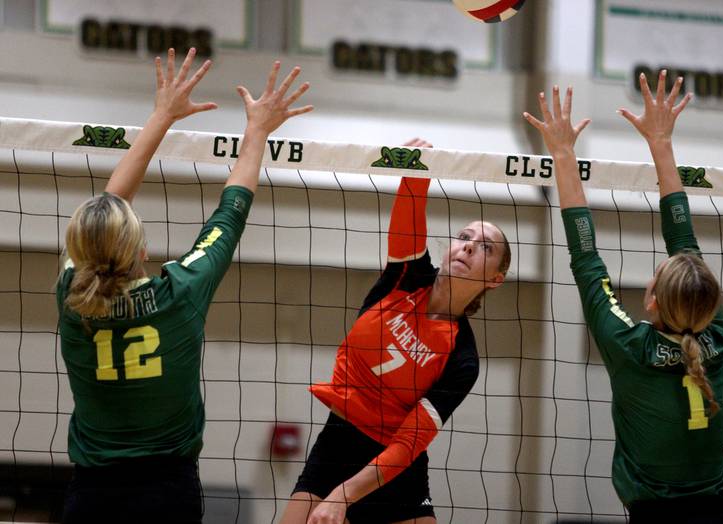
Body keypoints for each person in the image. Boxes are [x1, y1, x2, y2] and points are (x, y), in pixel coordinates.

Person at [57, 49, 312, 524]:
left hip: (92, 496)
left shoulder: (71, 294)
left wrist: (161, 116)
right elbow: (231, 211)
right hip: (166, 494)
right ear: (140, 252)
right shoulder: (180, 291)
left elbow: (110, 204)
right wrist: (256, 130)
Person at [523, 71, 723, 523]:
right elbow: (674, 249)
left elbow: (590, 255)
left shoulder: (632, 346)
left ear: (653, 301)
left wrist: (562, 153)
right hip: (720, 513)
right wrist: (660, 142)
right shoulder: (711, 331)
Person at [281, 139, 511, 524]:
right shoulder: (407, 277)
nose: (469, 248)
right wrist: (417, 169)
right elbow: (407, 217)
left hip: (393, 465)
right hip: (339, 441)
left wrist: (343, 496)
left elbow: (409, 442)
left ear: (496, 279)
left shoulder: (463, 358)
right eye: (465, 237)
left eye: (485, 248)